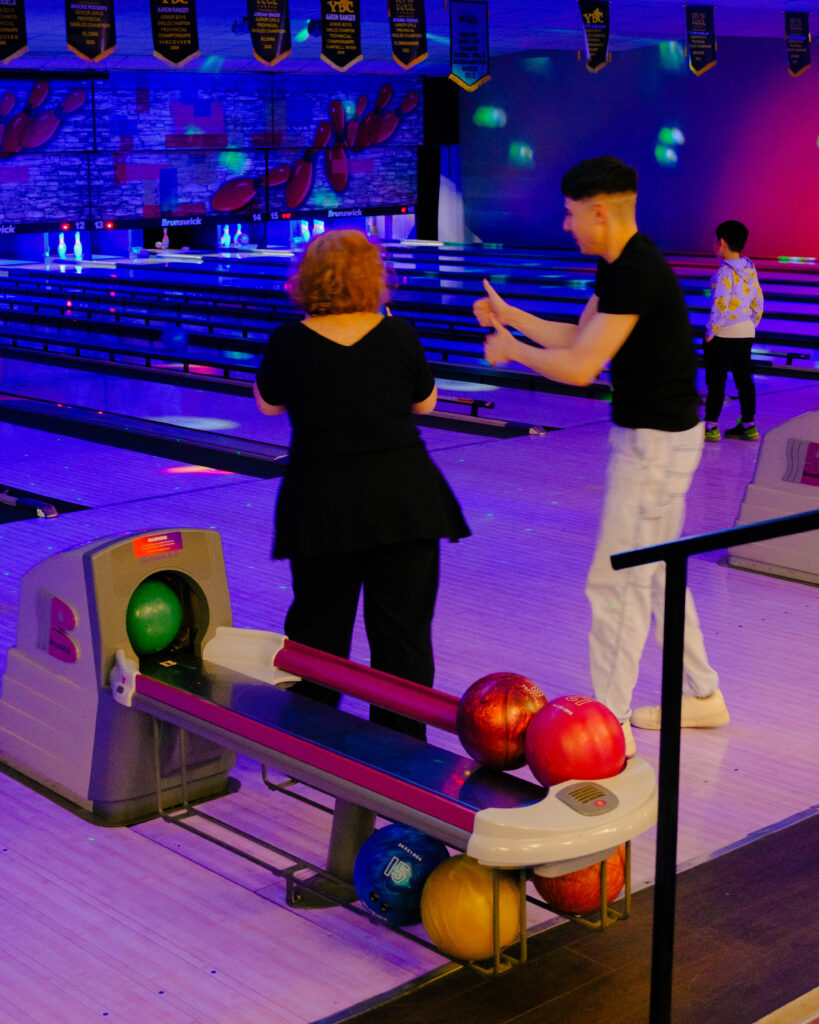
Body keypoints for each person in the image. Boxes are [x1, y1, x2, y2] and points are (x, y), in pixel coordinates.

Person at [473, 155, 728, 754]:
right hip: (658, 441)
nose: (565, 225)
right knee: (659, 575)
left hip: (654, 448)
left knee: (617, 585)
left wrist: (511, 352)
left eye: (569, 214)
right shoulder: (620, 267)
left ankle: (604, 728)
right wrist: (512, 318)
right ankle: (703, 694)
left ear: (599, 211)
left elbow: (582, 367)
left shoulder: (635, 271)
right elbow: (578, 338)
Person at [254, 229, 469, 740]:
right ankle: (400, 754)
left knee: (318, 634)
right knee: (404, 640)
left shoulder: (289, 340)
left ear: (307, 280)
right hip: (405, 503)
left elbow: (267, 403)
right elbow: (427, 403)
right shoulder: (399, 334)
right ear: (374, 277)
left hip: (323, 505)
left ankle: (312, 742)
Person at [703, 220, 764, 442]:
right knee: (744, 380)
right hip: (746, 332)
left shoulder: (724, 272)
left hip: (724, 334)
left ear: (721, 243)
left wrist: (712, 331)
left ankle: (711, 427)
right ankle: (749, 425)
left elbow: (721, 303)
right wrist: (751, 325)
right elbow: (758, 300)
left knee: (717, 382)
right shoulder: (750, 269)